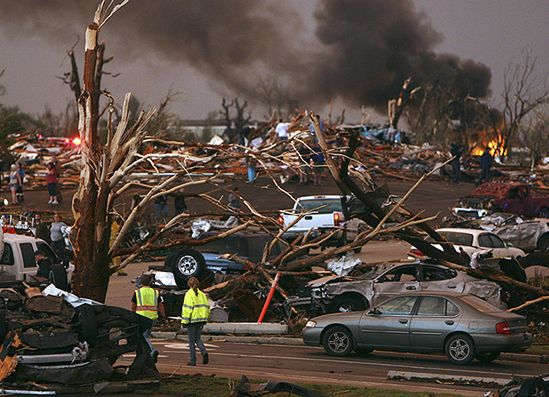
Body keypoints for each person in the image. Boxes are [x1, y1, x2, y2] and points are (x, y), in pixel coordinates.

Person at [132, 274, 165, 363]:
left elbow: (133, 306)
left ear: (141, 282)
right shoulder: (155, 292)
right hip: (153, 317)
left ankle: (152, 351)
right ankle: (147, 354)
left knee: (143, 336)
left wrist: (133, 316)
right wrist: (163, 317)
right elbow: (160, 305)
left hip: (141, 317)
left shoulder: (137, 292)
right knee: (146, 335)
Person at [181, 277, 210, 366]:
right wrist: (205, 318)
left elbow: (187, 309)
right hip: (201, 320)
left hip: (192, 320)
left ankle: (192, 360)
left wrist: (184, 321)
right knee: (198, 338)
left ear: (189, 284)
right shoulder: (202, 294)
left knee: (191, 341)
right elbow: (207, 307)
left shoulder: (189, 294)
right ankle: (204, 351)